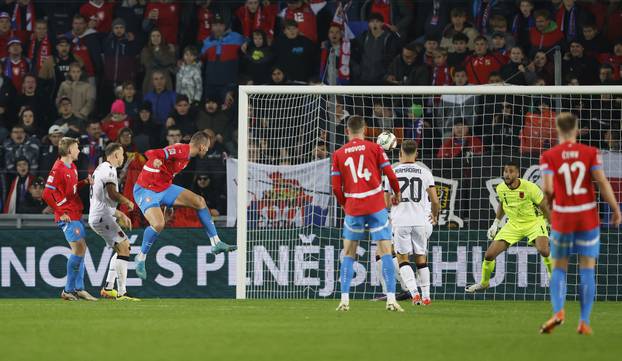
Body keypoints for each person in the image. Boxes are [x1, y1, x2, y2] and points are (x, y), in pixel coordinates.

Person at [539, 113, 622, 335]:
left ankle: (558, 312)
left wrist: (551, 202)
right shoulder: (591, 153)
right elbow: (602, 182)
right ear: (576, 130)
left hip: (563, 217)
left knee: (559, 267)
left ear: (557, 131)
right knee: (587, 268)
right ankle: (584, 321)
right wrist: (615, 209)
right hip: (586, 217)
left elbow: (547, 188)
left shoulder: (549, 156)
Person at [132, 131, 236, 280]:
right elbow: (151, 152)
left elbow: (167, 174)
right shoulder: (181, 150)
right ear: (202, 146)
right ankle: (140, 258)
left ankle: (216, 242)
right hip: (146, 190)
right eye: (207, 147)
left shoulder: (187, 157)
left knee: (199, 202)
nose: (207, 150)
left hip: (164, 187)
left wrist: (169, 204)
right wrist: (155, 160)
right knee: (159, 224)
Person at [331, 115, 403, 312]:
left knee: (348, 254)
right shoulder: (375, 148)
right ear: (365, 130)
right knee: (386, 252)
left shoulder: (338, 154)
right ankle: (391, 299)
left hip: (354, 207)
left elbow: (336, 187)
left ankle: (345, 299)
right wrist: (397, 193)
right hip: (376, 205)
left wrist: (345, 205)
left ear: (347, 131)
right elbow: (390, 174)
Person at [466, 161, 552, 293]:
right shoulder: (501, 188)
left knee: (544, 251)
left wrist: (550, 223)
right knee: (489, 255)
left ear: (517, 174)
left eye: (511, 171)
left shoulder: (530, 187)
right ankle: (484, 283)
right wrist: (496, 223)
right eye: (506, 171)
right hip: (513, 224)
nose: (507, 174)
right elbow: (503, 204)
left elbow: (544, 205)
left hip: (534, 222)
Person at [385, 140, 440, 306]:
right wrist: (434, 215)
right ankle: (427, 296)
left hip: (401, 221)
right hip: (420, 221)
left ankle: (414, 293)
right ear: (416, 153)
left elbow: (386, 203)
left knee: (402, 259)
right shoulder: (425, 172)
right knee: (421, 259)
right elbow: (435, 201)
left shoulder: (392, 172)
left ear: (400, 153)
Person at [42, 137, 96, 301]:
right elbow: (46, 193)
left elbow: (70, 190)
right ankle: (68, 290)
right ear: (69, 150)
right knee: (78, 248)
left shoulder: (71, 166)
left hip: (74, 212)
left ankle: (78, 289)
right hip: (66, 215)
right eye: (76, 148)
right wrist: (60, 211)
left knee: (81, 248)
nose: (79, 150)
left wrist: (84, 182)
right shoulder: (57, 168)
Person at [89, 142, 139, 301]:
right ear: (115, 155)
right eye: (122, 154)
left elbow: (102, 199)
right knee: (124, 247)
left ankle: (108, 288)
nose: (123, 157)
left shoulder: (101, 168)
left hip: (100, 214)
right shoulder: (109, 169)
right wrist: (127, 201)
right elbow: (111, 194)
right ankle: (122, 293)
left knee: (123, 247)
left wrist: (119, 214)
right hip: (102, 216)